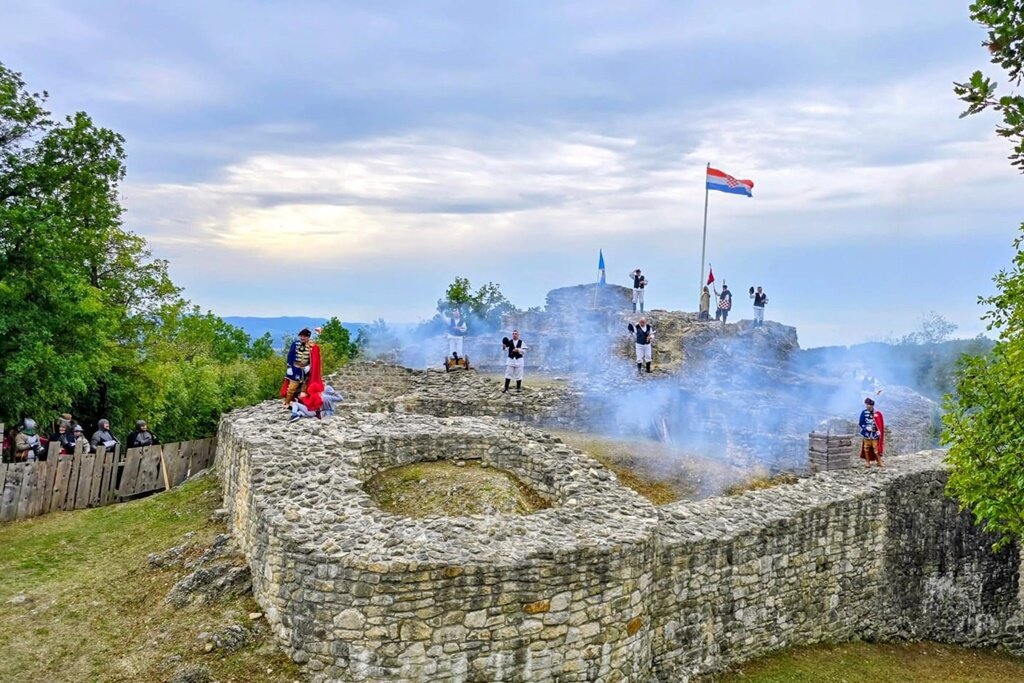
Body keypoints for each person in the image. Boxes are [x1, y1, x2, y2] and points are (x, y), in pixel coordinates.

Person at [289, 336, 325, 422]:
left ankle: (294, 414)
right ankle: (298, 415)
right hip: (313, 412)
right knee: (301, 411)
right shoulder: (318, 395)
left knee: (295, 404)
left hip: (311, 411)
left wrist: (302, 398)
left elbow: (309, 404)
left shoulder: (314, 395)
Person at [281, 328, 314, 408]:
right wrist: (289, 367)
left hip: (306, 371)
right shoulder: (295, 344)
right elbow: (290, 355)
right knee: (291, 388)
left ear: (308, 337)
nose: (302, 338)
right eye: (301, 336)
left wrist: (309, 366)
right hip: (295, 369)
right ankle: (287, 403)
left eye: (304, 336)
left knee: (305, 389)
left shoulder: (311, 346)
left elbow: (313, 358)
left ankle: (302, 404)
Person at [859, 397, 885, 468]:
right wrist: (866, 428)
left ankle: (879, 461)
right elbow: (861, 423)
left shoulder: (877, 413)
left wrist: (877, 430)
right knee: (866, 448)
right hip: (867, 434)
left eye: (868, 404)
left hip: (874, 434)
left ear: (872, 405)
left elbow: (879, 424)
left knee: (875, 448)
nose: (867, 406)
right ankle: (867, 462)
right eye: (866, 404)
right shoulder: (864, 412)